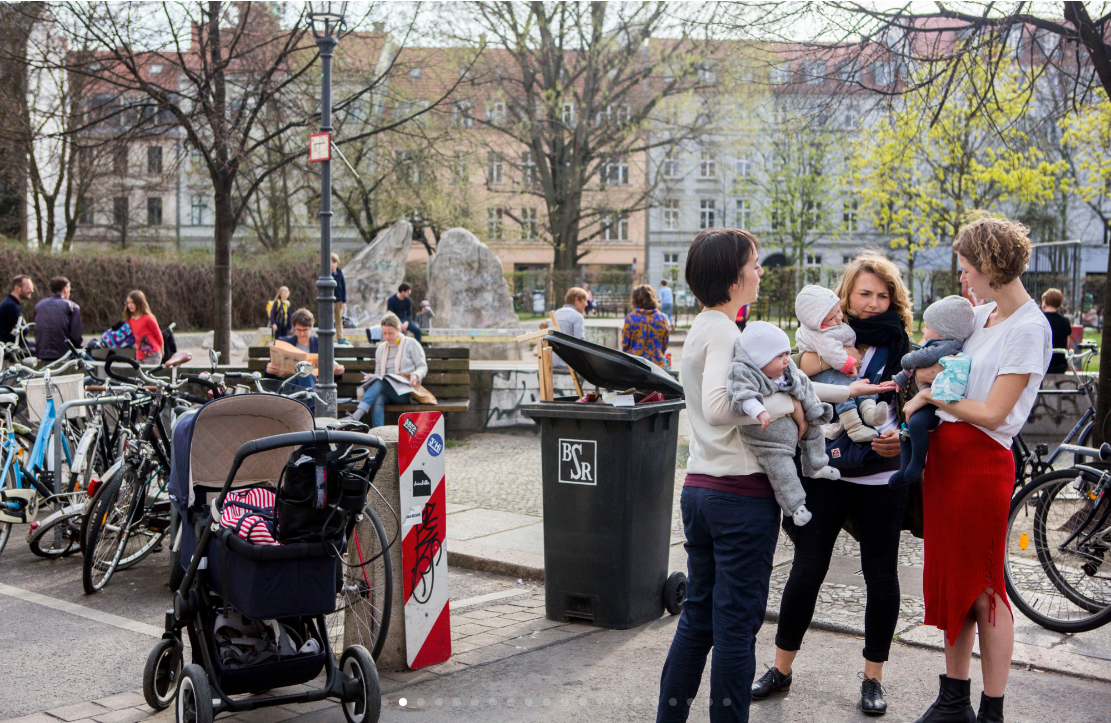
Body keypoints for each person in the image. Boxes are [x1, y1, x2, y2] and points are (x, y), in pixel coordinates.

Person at [656, 228, 887, 723]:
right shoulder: (723, 330)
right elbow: (724, 408)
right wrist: (791, 411)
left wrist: (842, 394)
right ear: (733, 276)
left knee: (699, 619)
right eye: (755, 264)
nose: (760, 272)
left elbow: (784, 385)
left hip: (701, 489)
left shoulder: (701, 327)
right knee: (736, 627)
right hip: (739, 495)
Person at [901, 216, 1051, 723]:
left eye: (967, 270)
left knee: (986, 586)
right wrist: (930, 382)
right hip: (948, 460)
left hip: (982, 462)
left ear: (990, 267)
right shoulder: (983, 314)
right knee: (952, 579)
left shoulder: (1030, 327)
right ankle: (952, 698)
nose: (963, 280)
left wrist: (932, 393)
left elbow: (993, 413)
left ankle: (991, 710)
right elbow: (940, 366)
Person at [753, 253, 910, 717]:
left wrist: (900, 439)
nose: (873, 304)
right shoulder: (819, 341)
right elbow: (792, 377)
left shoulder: (902, 344)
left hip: (881, 473)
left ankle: (873, 678)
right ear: (846, 295)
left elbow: (919, 404)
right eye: (864, 293)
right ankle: (781, 669)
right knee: (807, 567)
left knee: (881, 574)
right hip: (829, 468)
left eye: (883, 295)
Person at [727, 321, 840, 527]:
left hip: (796, 426)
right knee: (783, 472)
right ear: (760, 359)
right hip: (770, 441)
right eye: (780, 356)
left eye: (787, 353)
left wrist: (811, 408)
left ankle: (816, 464)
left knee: (815, 430)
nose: (787, 360)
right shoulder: (744, 372)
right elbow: (742, 395)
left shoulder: (787, 369)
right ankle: (796, 507)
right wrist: (760, 411)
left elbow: (804, 384)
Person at [888, 295, 976, 489]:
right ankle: (905, 468)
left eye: (927, 327)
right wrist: (899, 380)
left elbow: (915, 361)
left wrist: (908, 360)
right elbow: (912, 371)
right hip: (929, 399)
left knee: (917, 423)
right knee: (907, 426)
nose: (922, 329)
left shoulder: (944, 347)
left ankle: (917, 464)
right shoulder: (939, 344)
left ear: (943, 332)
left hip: (936, 402)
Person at [795, 284, 884, 442]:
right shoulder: (821, 334)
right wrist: (849, 364)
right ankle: (854, 426)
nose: (838, 317)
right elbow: (832, 354)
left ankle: (871, 414)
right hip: (826, 375)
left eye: (838, 311)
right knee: (843, 388)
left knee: (862, 386)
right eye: (865, 293)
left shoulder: (829, 324)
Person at [348, 312, 427, 427]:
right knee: (378, 398)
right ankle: (379, 436)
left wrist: (415, 375)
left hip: (404, 392)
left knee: (381, 382)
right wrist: (372, 378)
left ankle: (357, 415)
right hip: (385, 391)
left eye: (390, 333)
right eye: (384, 333)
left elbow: (422, 366)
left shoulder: (411, 344)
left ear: (399, 329)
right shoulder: (381, 349)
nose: (387, 337)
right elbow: (379, 374)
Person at [265, 308, 345, 402]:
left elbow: (331, 376)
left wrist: (337, 372)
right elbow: (269, 374)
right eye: (298, 330)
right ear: (294, 327)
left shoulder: (321, 345)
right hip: (287, 386)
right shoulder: (284, 342)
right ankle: (309, 408)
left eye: (305, 330)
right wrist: (268, 369)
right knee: (302, 376)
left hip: (312, 386)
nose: (302, 334)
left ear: (311, 327)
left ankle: (305, 406)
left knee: (306, 375)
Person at [33, 277, 83, 363]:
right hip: (64, 355)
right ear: (65, 289)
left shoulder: (39, 305)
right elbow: (76, 337)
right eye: (69, 289)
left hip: (41, 354)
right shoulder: (72, 306)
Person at [621, 285, 670, 367]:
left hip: (635, 365)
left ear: (635, 300)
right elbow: (664, 344)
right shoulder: (663, 318)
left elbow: (625, 344)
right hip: (656, 366)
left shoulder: (631, 318)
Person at [124, 290, 164, 366]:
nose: (129, 305)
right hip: (139, 356)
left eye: (132, 303)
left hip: (152, 354)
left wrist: (162, 350)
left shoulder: (148, 318)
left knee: (147, 377)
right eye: (128, 303)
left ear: (139, 303)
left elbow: (158, 334)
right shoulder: (130, 320)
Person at [552, 287, 587, 369]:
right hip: (569, 364)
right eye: (584, 301)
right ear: (576, 300)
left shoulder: (555, 314)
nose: (586, 304)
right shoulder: (577, 316)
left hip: (553, 362)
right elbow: (580, 344)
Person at [1040, 288, 1072, 374]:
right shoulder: (1065, 321)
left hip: (1042, 364)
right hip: (1060, 365)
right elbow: (1067, 344)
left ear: (1044, 301)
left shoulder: (1039, 319)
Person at [0, 275, 33, 345]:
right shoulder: (11, 305)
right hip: (9, 348)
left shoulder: (12, 303)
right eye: (29, 288)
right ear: (18, 288)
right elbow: (24, 331)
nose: (32, 291)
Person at [331, 253, 349, 345]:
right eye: (331, 262)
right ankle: (329, 338)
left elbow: (343, 287)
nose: (332, 264)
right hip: (329, 301)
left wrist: (344, 300)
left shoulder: (339, 273)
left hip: (339, 300)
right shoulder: (327, 274)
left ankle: (340, 337)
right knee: (329, 320)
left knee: (339, 320)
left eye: (334, 262)